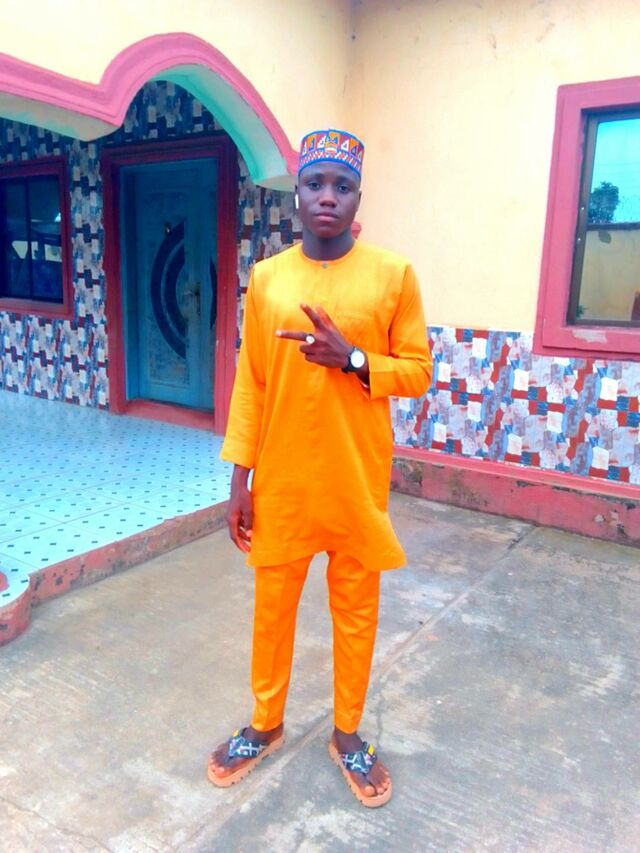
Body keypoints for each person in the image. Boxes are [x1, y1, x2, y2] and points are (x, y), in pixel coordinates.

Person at [208, 129, 432, 807]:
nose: (327, 197)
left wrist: (354, 359)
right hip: (282, 482)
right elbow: (252, 382)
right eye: (315, 184)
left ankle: (348, 733)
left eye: (342, 186)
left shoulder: (392, 275)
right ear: (297, 196)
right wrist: (240, 479)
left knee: (356, 613)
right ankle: (265, 722)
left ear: (359, 197)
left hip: (355, 482)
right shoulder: (269, 278)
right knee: (272, 610)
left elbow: (418, 371)